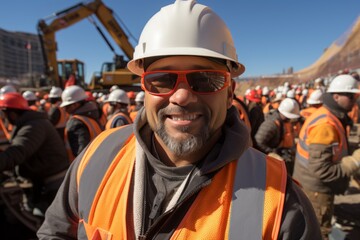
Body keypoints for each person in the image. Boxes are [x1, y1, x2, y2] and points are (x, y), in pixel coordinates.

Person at [37, 1, 321, 239]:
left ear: (230, 92)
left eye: (206, 79)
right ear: (143, 90)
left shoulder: (281, 202)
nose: (182, 96)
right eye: (162, 80)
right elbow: (56, 232)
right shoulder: (97, 156)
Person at [293, 74, 360, 239]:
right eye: (351, 96)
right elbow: (321, 170)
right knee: (319, 231)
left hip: (313, 187)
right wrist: (354, 162)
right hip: (316, 192)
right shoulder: (325, 125)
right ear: (336, 96)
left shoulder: (327, 115)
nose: (354, 100)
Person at [0, 92, 69, 214]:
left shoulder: (33, 126)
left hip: (52, 180)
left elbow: (18, 151)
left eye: (4, 114)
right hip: (45, 176)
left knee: (48, 218)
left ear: (12, 113)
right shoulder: (31, 123)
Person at [255, 98, 300, 175]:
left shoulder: (283, 121)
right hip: (267, 159)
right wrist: (271, 152)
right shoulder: (271, 124)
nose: (290, 120)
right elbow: (258, 141)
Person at [60, 85, 103, 162]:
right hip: (97, 160)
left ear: (75, 105)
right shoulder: (91, 116)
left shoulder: (76, 122)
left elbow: (80, 153)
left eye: (67, 106)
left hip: (83, 167)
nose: (64, 109)